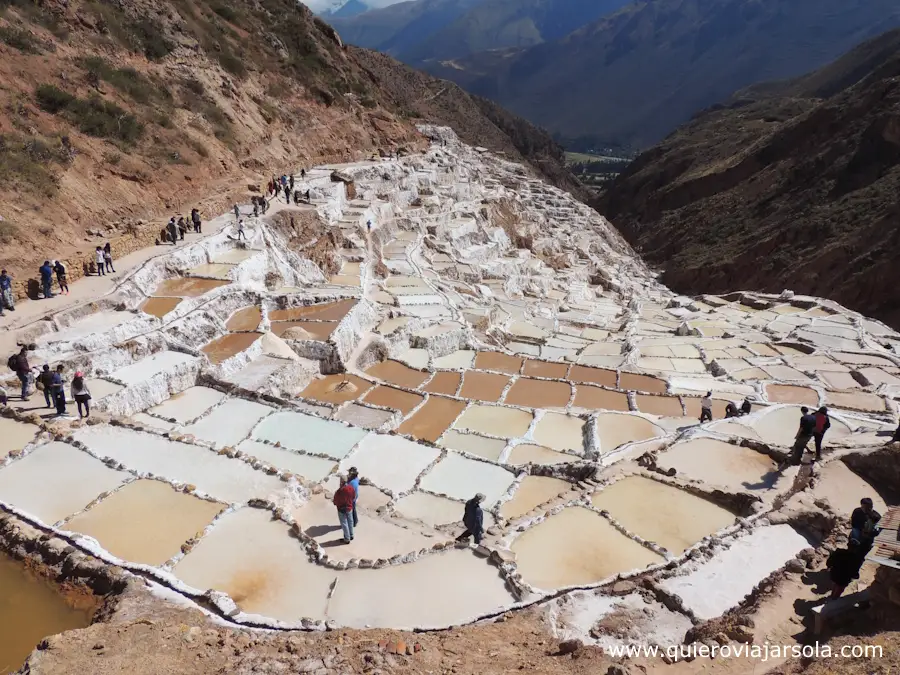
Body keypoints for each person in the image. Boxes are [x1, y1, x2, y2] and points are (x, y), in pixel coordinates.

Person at [333, 475, 356, 544]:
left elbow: (335, 500)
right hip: (349, 507)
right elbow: (353, 496)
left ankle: (347, 538)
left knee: (344, 523)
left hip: (341, 509)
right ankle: (351, 535)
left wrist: (336, 503)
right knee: (350, 521)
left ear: (341, 481)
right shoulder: (351, 488)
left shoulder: (339, 491)